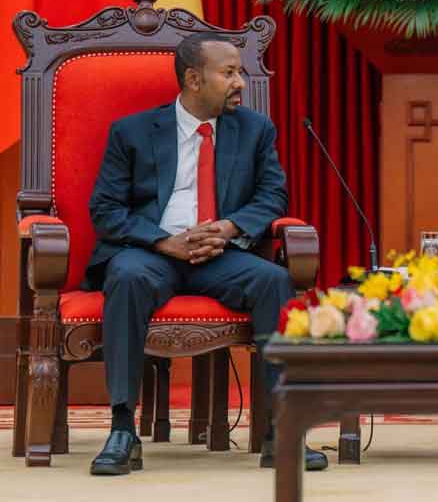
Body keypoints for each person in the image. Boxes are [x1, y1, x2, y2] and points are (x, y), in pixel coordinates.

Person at [86, 32, 328, 475]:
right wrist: (165, 241)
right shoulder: (132, 132)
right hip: (151, 252)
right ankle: (122, 429)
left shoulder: (255, 130)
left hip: (220, 254)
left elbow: (273, 196)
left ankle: (282, 431)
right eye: (229, 73)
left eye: (240, 72)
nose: (240, 82)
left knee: (275, 282)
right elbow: (105, 209)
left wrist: (229, 228)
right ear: (194, 79)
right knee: (126, 276)